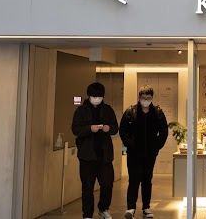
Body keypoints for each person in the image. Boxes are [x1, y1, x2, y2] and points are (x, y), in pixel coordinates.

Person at [119, 85, 169, 219]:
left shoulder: (157, 112)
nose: (146, 100)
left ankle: (146, 207)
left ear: (152, 98)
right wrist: (129, 143)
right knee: (133, 180)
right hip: (134, 153)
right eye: (143, 98)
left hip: (150, 153)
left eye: (148, 98)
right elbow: (122, 129)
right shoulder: (130, 111)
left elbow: (164, 131)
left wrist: (157, 146)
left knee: (147, 180)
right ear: (139, 97)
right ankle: (131, 208)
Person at [71, 82, 119, 219]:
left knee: (107, 184)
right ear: (89, 96)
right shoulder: (81, 110)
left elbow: (115, 127)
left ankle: (103, 208)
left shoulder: (108, 110)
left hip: (105, 156)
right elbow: (75, 129)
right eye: (94, 96)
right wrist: (89, 129)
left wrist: (109, 128)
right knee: (87, 187)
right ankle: (87, 214)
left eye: (99, 96)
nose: (97, 98)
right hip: (87, 156)